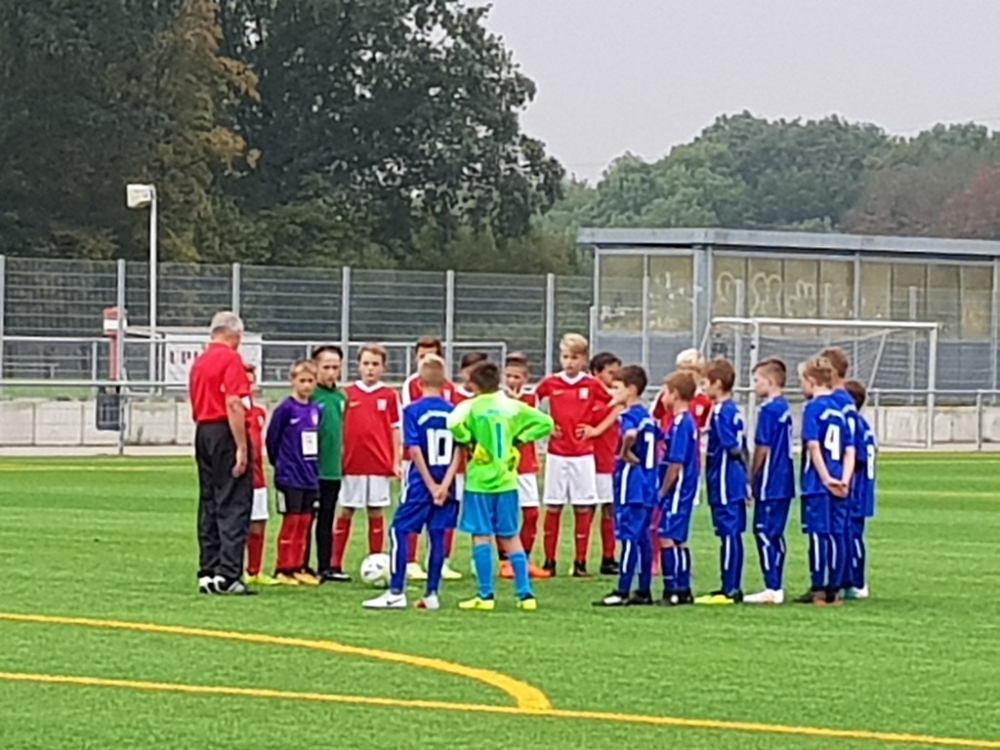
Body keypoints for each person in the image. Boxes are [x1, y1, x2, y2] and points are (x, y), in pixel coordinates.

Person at [448, 360, 554, 611]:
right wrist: (521, 438)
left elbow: (452, 423)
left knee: (481, 536)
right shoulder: (511, 406)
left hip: (479, 482)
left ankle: (485, 596)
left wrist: (467, 438)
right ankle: (525, 595)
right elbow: (546, 423)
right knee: (510, 536)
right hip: (506, 480)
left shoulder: (470, 406)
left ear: (473, 384)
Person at [364, 355, 462, 610]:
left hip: (420, 484)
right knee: (437, 535)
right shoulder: (454, 412)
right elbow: (459, 451)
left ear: (418, 382)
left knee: (399, 530)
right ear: (445, 382)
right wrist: (444, 485)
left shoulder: (412, 411)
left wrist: (430, 485)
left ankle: (396, 591)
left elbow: (414, 450)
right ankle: (431, 594)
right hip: (448, 485)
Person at [188, 311, 255, 596]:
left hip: (203, 430)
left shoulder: (200, 361)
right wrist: (241, 446)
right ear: (235, 334)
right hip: (224, 430)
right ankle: (228, 574)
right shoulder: (231, 359)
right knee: (234, 502)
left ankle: (208, 568)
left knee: (210, 502)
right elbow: (233, 403)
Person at [535, 333, 611, 577]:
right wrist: (545, 425)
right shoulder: (551, 383)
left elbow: (616, 404)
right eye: (566, 357)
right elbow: (530, 403)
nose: (569, 362)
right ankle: (549, 561)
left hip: (583, 455)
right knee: (553, 506)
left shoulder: (591, 385)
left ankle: (580, 562)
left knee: (582, 507)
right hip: (557, 454)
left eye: (575, 357)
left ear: (584, 359)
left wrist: (596, 430)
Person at [330, 345, 401, 581]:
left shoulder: (389, 396)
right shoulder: (347, 394)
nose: (370, 369)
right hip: (352, 463)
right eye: (366, 364)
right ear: (358, 366)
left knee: (376, 511)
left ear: (383, 368)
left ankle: (376, 561)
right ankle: (335, 563)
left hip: (378, 464)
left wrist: (396, 460)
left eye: (375, 364)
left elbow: (395, 429)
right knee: (346, 510)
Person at [594, 365, 657, 607]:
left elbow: (630, 434)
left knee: (629, 537)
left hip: (633, 484)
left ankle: (622, 590)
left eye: (616, 388)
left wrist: (624, 452)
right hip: (649, 482)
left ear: (631, 390)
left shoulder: (629, 415)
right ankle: (644, 589)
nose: (612, 392)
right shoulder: (647, 416)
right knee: (643, 539)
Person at [796, 356, 849, 606]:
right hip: (840, 480)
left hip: (818, 483)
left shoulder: (813, 408)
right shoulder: (838, 409)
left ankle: (818, 588)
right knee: (837, 534)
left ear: (810, 380)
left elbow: (813, 446)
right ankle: (834, 590)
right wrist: (844, 479)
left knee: (818, 534)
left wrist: (826, 478)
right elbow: (849, 450)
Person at [697, 357, 749, 605]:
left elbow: (732, 447)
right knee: (733, 533)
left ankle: (729, 588)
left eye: (705, 383)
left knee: (729, 533)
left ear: (717, 384)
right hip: (734, 480)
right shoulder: (734, 410)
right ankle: (731, 584)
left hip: (725, 481)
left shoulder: (719, 411)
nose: (703, 388)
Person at [266, 360, 322, 586]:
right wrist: (280, 465)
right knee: (290, 522)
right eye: (302, 380)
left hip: (310, 475)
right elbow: (272, 439)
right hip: (290, 476)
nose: (306, 385)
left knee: (304, 522)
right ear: (293, 381)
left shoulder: (315, 409)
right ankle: (283, 568)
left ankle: (299, 566)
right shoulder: (285, 409)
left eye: (310, 381)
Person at [745, 358, 795, 605]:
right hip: (785, 480)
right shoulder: (784, 407)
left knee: (763, 531)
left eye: (757, 380)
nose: (754, 385)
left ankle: (772, 586)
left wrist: (751, 477)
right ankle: (776, 585)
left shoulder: (768, 410)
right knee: (776, 533)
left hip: (770, 479)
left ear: (770, 381)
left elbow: (762, 447)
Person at [500, 353, 549, 579]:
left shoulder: (531, 399)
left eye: (517, 377)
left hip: (525, 464)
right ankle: (505, 561)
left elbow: (534, 424)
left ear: (526, 378)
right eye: (509, 376)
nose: (512, 381)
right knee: (505, 513)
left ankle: (524, 559)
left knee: (531, 514)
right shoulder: (498, 400)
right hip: (504, 464)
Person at [656, 371, 701, 606]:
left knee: (666, 536)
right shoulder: (683, 422)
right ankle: (683, 589)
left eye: (664, 392)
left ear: (674, 394)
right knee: (678, 538)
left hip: (679, 489)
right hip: (683, 489)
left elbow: (676, 462)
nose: (662, 397)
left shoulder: (682, 423)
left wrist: (664, 490)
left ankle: (672, 588)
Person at [819, 347, 857, 595]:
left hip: (836, 472)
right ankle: (842, 580)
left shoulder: (837, 401)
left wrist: (843, 476)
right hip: (842, 471)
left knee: (836, 529)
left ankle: (838, 581)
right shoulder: (846, 401)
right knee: (839, 528)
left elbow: (848, 442)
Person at [581, 352, 623, 575]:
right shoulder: (591, 400)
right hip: (592, 462)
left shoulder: (617, 399)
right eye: (610, 373)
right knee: (588, 509)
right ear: (596, 373)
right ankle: (581, 558)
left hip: (609, 461)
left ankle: (608, 557)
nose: (615, 377)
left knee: (609, 508)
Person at [311, 345, 347, 582]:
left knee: (327, 518)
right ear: (315, 368)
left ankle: (326, 566)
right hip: (312, 471)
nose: (331, 372)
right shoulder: (311, 396)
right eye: (326, 367)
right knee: (307, 519)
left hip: (333, 470)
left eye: (335, 367)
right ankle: (298, 565)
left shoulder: (341, 398)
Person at [244, 364, 277, 586]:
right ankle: (230, 568)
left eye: (251, 382)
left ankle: (254, 570)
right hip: (238, 478)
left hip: (258, 477)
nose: (249, 387)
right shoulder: (230, 411)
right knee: (237, 525)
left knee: (259, 523)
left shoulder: (259, 413)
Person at [844, 379, 877, 600]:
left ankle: (858, 582)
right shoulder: (862, 424)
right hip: (862, 487)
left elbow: (860, 457)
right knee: (850, 534)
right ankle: (849, 579)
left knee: (854, 535)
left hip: (858, 489)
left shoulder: (855, 425)